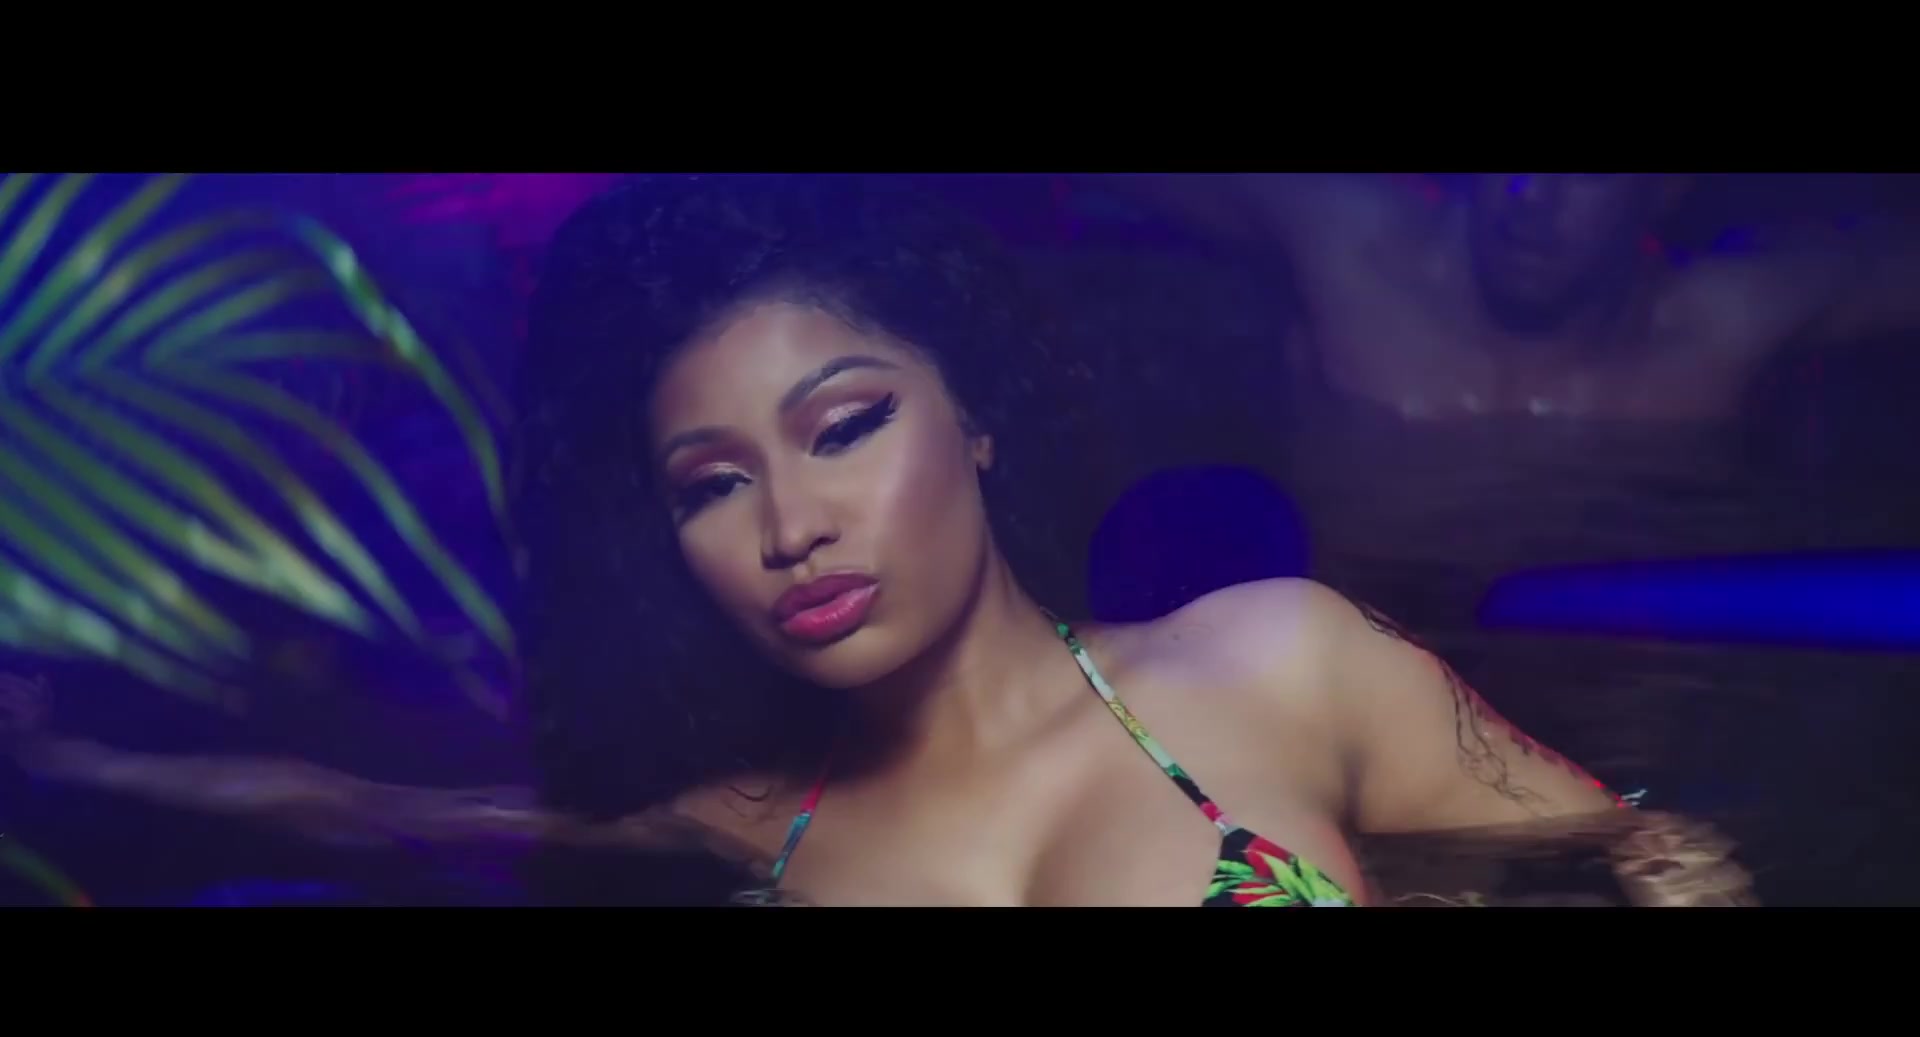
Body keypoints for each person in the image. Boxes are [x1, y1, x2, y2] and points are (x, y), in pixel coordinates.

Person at [0, 175, 1752, 907]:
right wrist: (86, 764)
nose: (792, 525)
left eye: (843, 425)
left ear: (972, 418)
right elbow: (382, 811)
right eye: (711, 483)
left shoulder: (1270, 659)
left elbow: (1647, 849)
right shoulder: (763, 827)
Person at [1088, 173, 1920, 422]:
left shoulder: (1720, 329)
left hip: (1612, 678)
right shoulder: (1351, 246)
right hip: (1354, 646)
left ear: (1662, 191)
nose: (1532, 198)